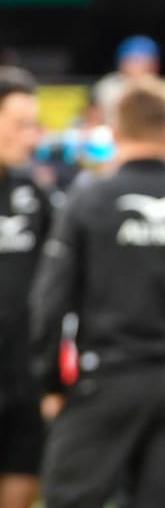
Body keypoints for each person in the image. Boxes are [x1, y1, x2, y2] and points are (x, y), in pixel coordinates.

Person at [30, 80, 165, 508]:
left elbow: (49, 303)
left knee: (68, 497)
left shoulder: (88, 202)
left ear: (115, 134)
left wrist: (49, 380)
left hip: (105, 378)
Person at [0, 69, 52, 508]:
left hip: (24, 381)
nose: (31, 137)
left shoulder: (32, 196)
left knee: (24, 479)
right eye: (21, 124)